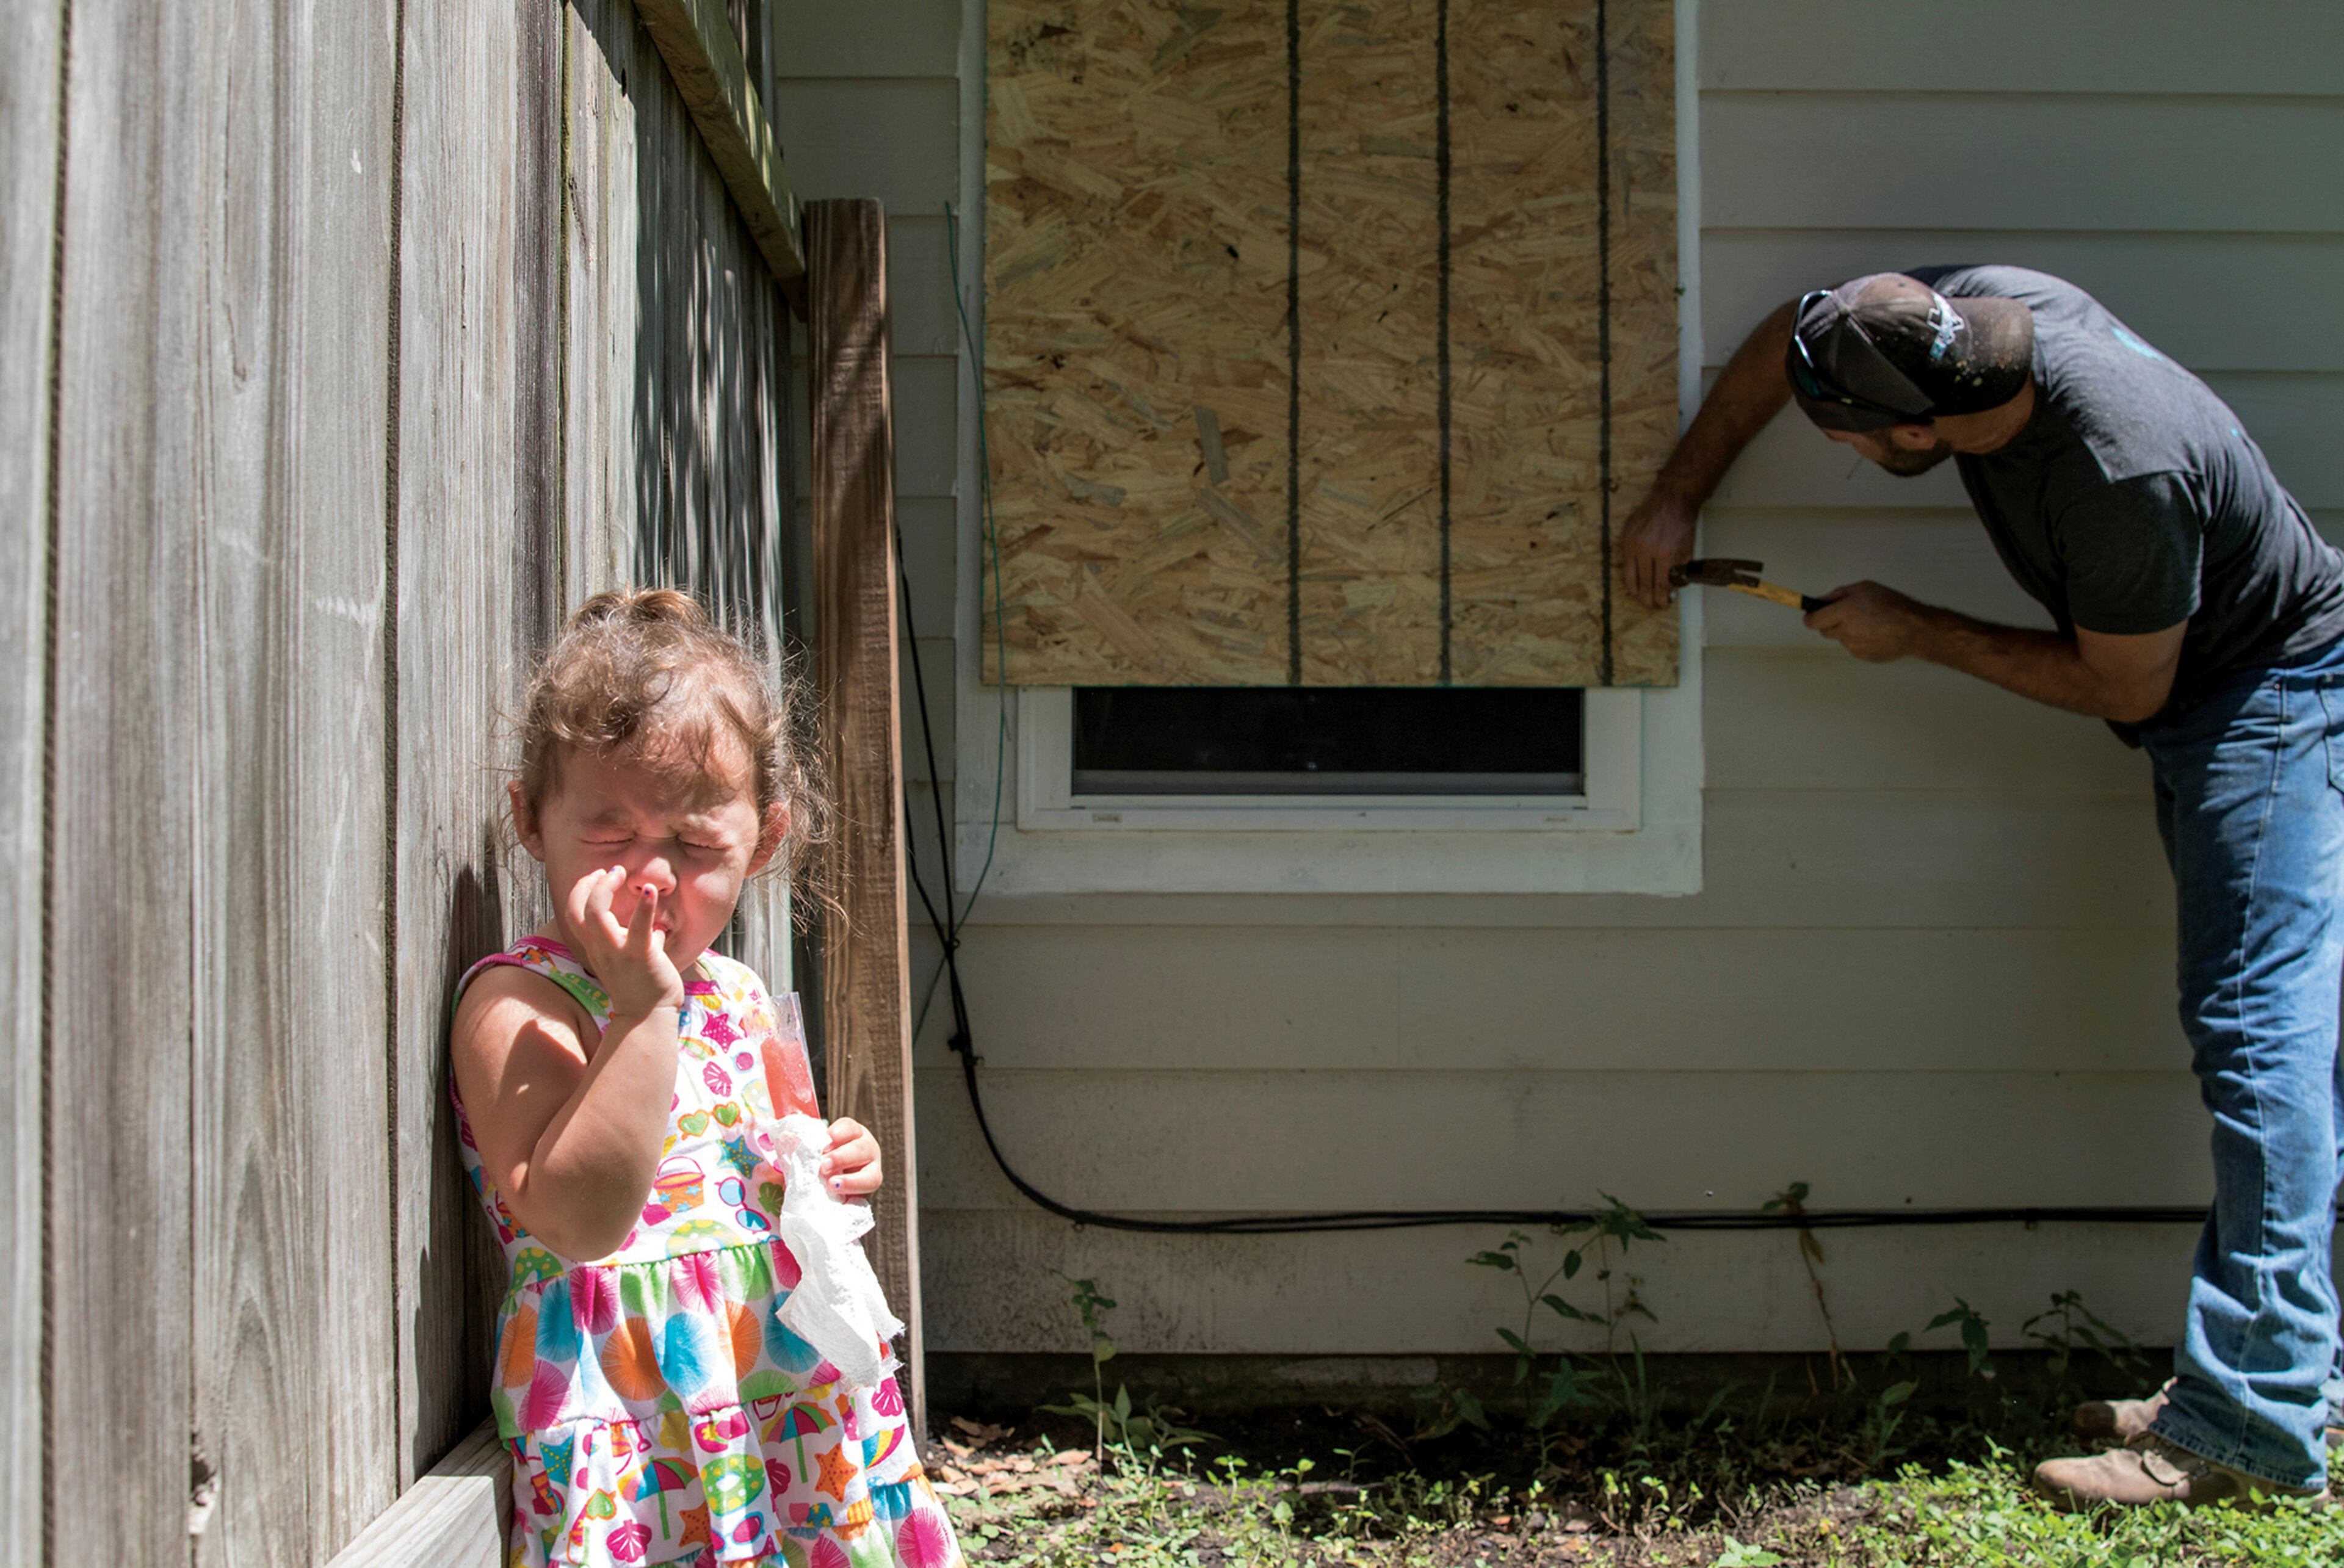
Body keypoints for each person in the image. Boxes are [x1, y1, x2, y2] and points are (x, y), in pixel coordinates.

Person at [1622, 267, 2344, 1509]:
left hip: (2268, 706)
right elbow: (1792, 337)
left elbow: (2132, 692)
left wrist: (1920, 629)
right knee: (2284, 1055)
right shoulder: (1979, 310)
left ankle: (2254, 1429)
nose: (1829, 443)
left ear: (1917, 430)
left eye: (1839, 432)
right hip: (2224, 693)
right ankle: (2276, 1373)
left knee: (2259, 1045)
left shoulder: (2117, 476)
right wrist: (1676, 495)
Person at [450, 588, 967, 1567]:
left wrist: (833, 1164)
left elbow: (767, 1175)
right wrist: (641, 1008)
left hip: (786, 1411)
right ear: (530, 818)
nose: (652, 875)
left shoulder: (734, 991)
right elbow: (581, 1217)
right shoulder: (523, 1003)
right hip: (634, 1426)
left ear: (763, 841)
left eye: (694, 846)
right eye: (612, 833)